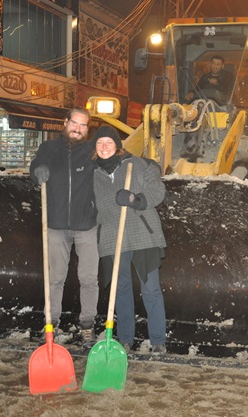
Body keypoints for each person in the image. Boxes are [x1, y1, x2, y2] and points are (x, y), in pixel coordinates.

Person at [91, 125, 168, 354]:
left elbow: (157, 190)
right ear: (95, 148)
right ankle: (125, 339)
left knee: (151, 289)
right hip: (111, 238)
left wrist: (135, 199)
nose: (105, 147)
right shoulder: (92, 174)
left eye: (109, 142)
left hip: (143, 236)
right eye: (100, 143)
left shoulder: (137, 165)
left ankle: (158, 341)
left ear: (117, 146)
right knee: (121, 290)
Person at [29, 108, 99, 348]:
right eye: (74, 123)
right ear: (65, 122)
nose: (78, 129)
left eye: (83, 125)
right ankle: (51, 324)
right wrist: (37, 170)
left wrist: (146, 165)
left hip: (86, 225)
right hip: (56, 225)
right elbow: (36, 164)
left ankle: (87, 326)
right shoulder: (49, 148)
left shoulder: (91, 151)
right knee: (55, 278)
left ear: (87, 129)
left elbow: (116, 157)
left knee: (88, 278)